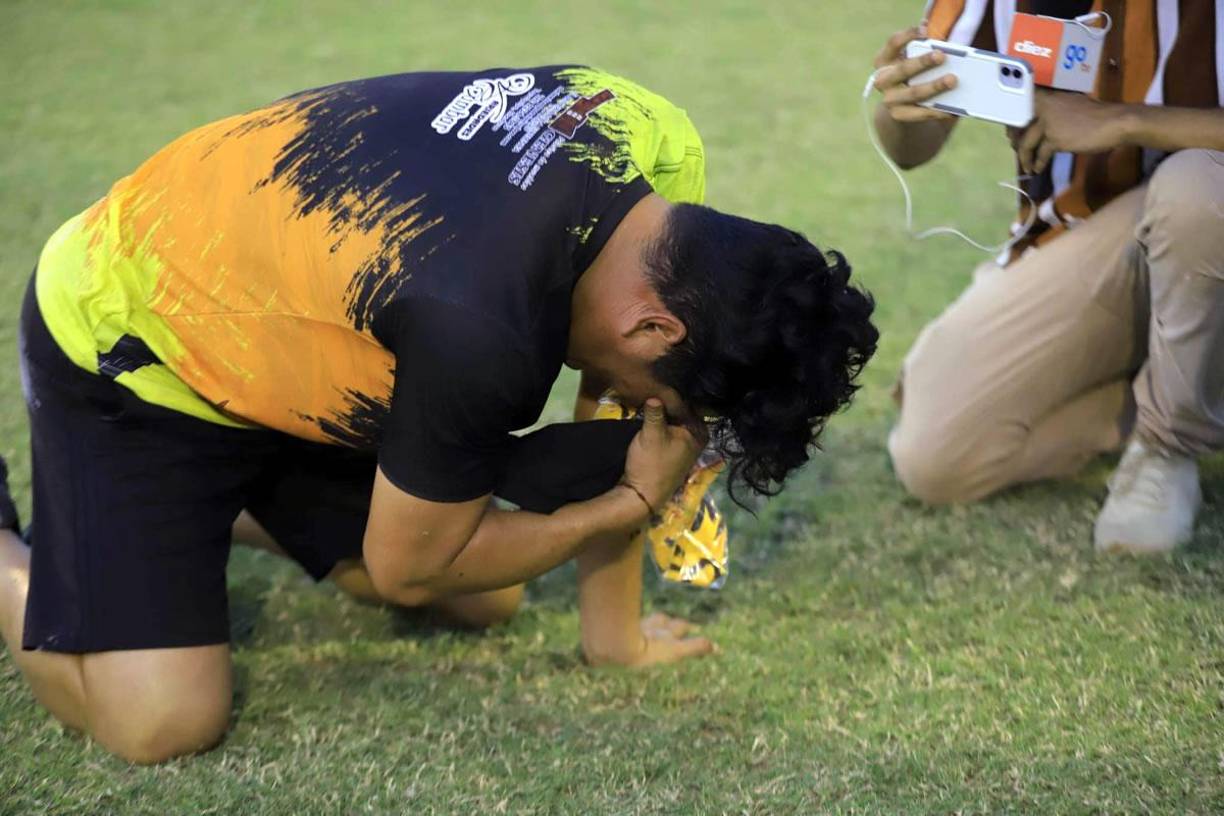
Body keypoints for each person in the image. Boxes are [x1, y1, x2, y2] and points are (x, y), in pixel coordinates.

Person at [0, 65, 878, 763]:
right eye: (672, 404)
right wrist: (630, 504)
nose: (658, 419)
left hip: (293, 338)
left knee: (489, 596)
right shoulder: (480, 330)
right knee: (161, 724)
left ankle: (211, 517)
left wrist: (617, 642)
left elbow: (617, 416)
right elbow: (406, 573)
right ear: (653, 325)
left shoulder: (648, 144)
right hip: (134, 341)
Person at [875, 1, 1224, 553]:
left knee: (1198, 193)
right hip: (1082, 235)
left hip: (1201, 213)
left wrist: (1123, 119)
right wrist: (903, 105)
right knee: (936, 460)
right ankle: (1190, 387)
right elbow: (911, 149)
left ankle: (1169, 445)